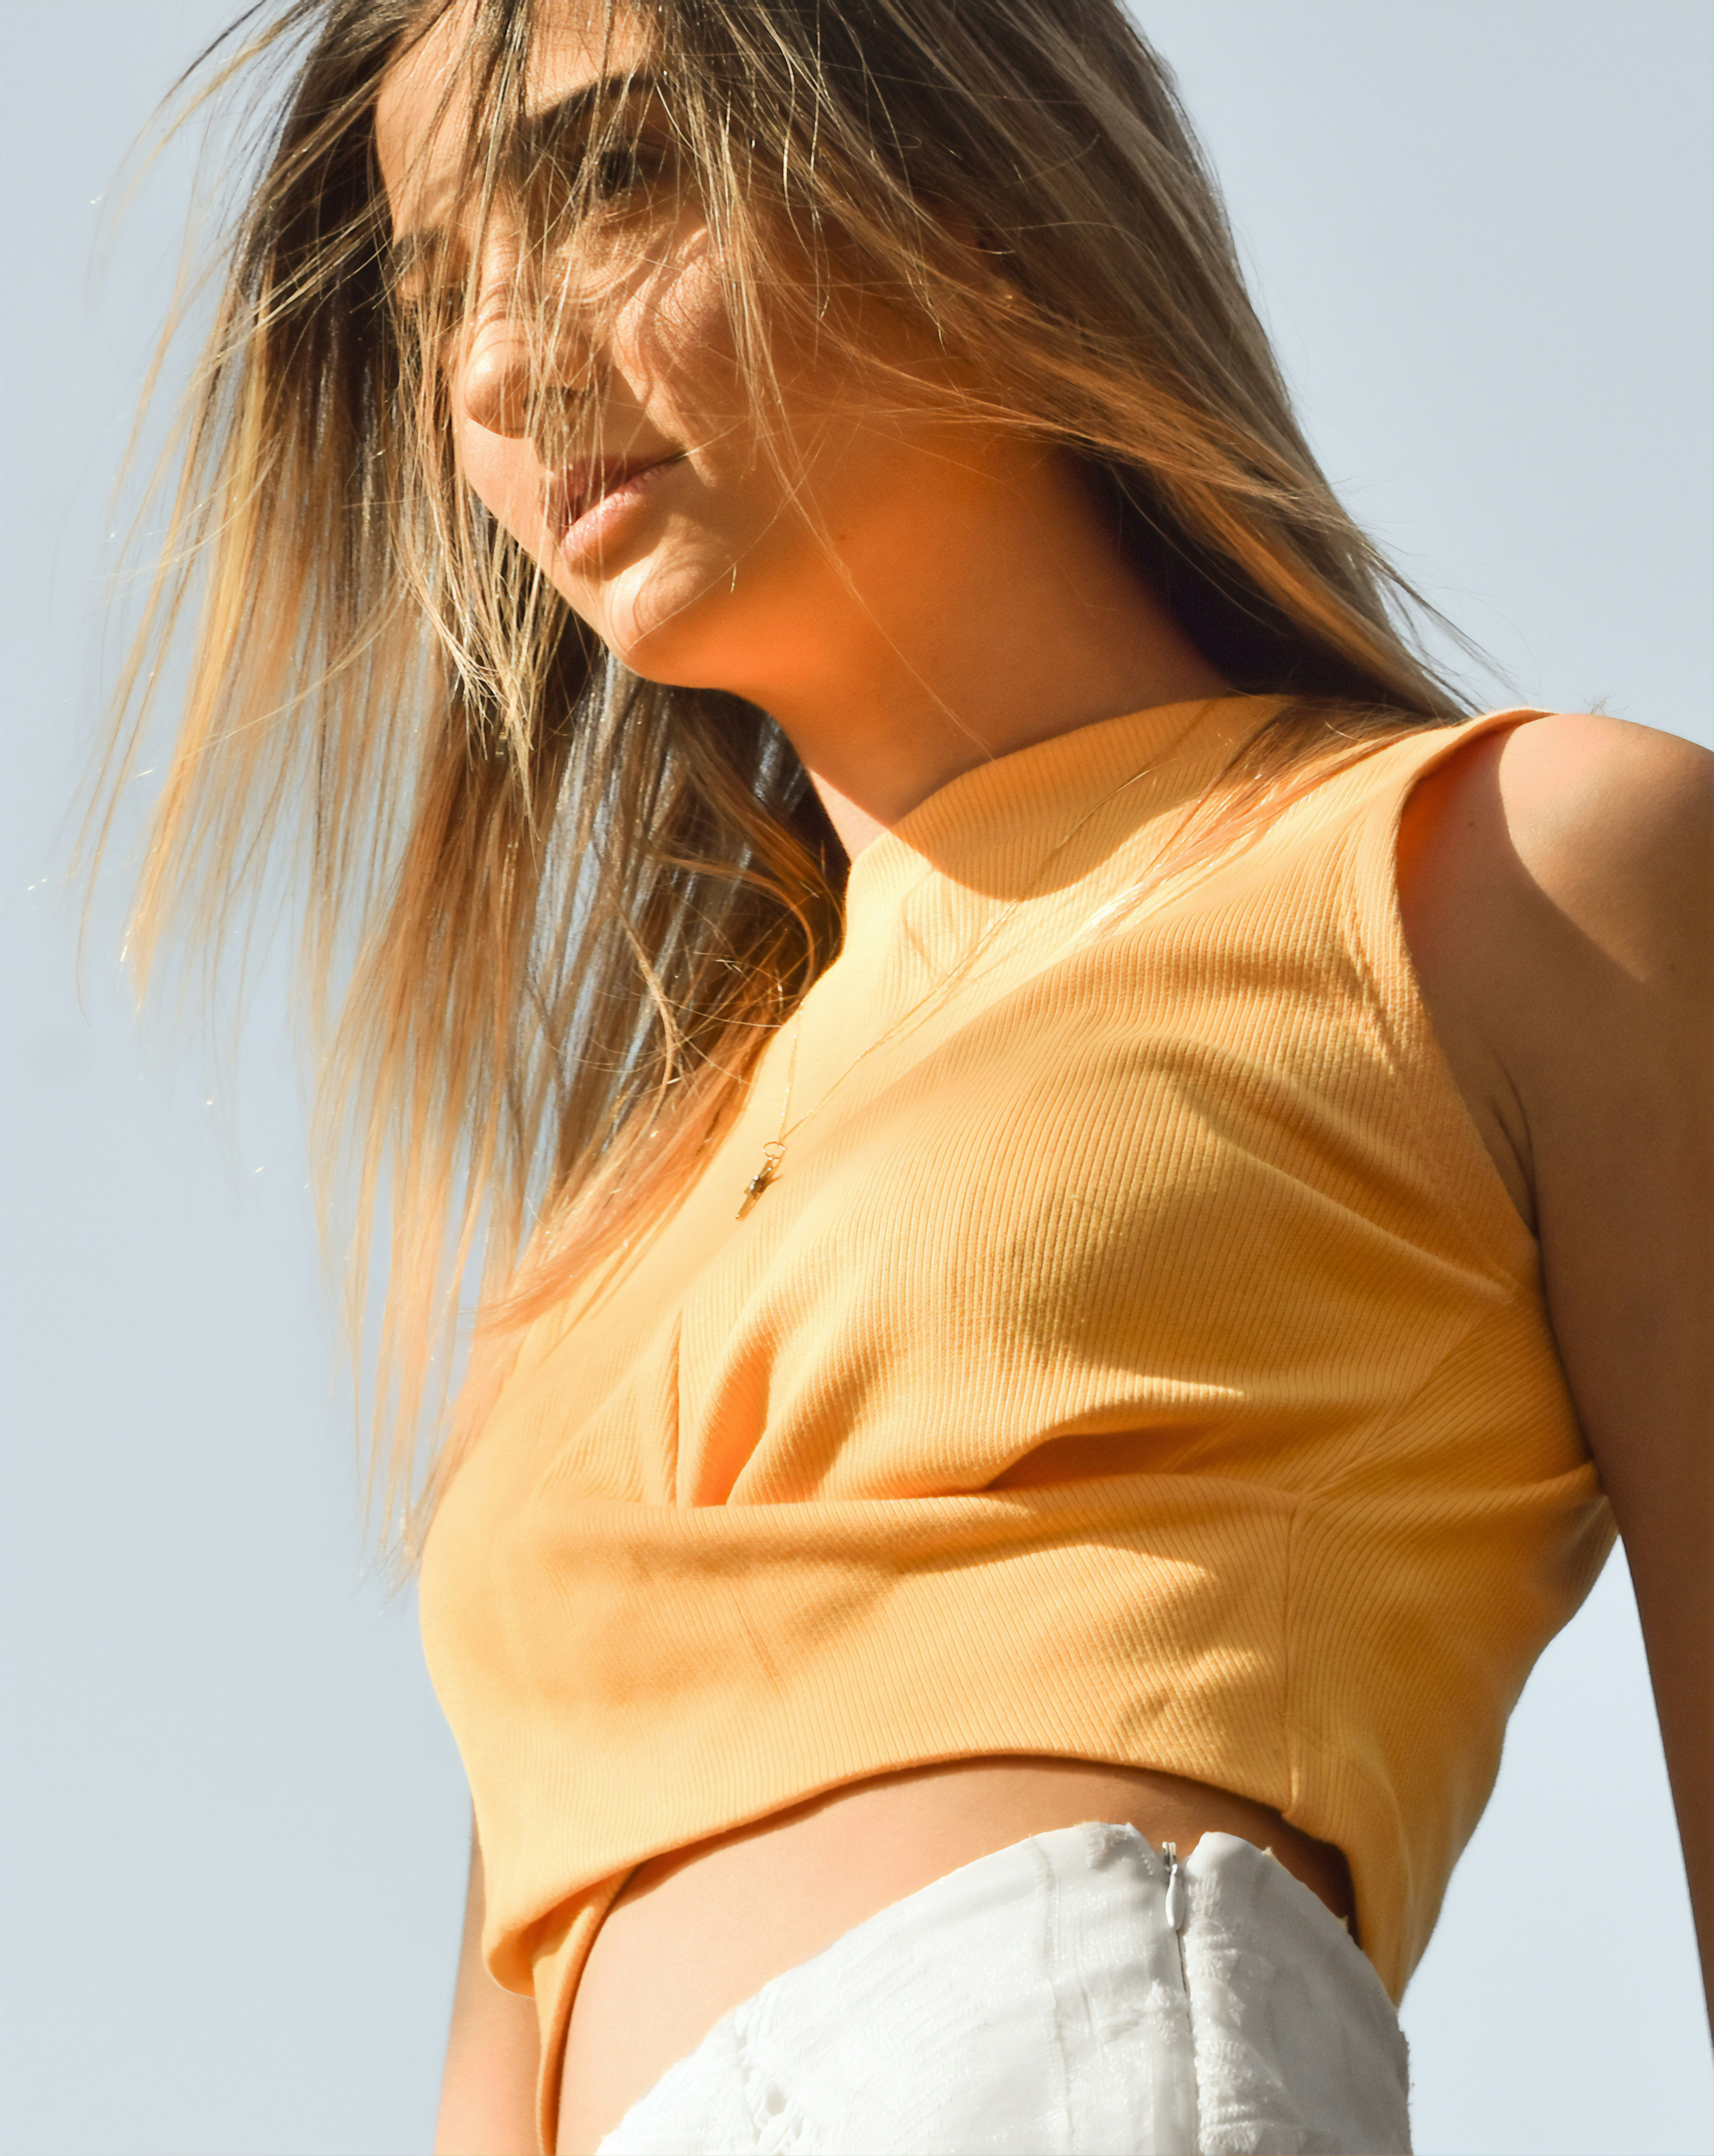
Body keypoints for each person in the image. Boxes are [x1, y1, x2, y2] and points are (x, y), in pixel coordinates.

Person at [104, 1, 1709, 2150]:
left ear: (963, 147)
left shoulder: (1512, 879)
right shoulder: (593, 1245)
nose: (496, 369)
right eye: (437, 295)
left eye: (608, 176)